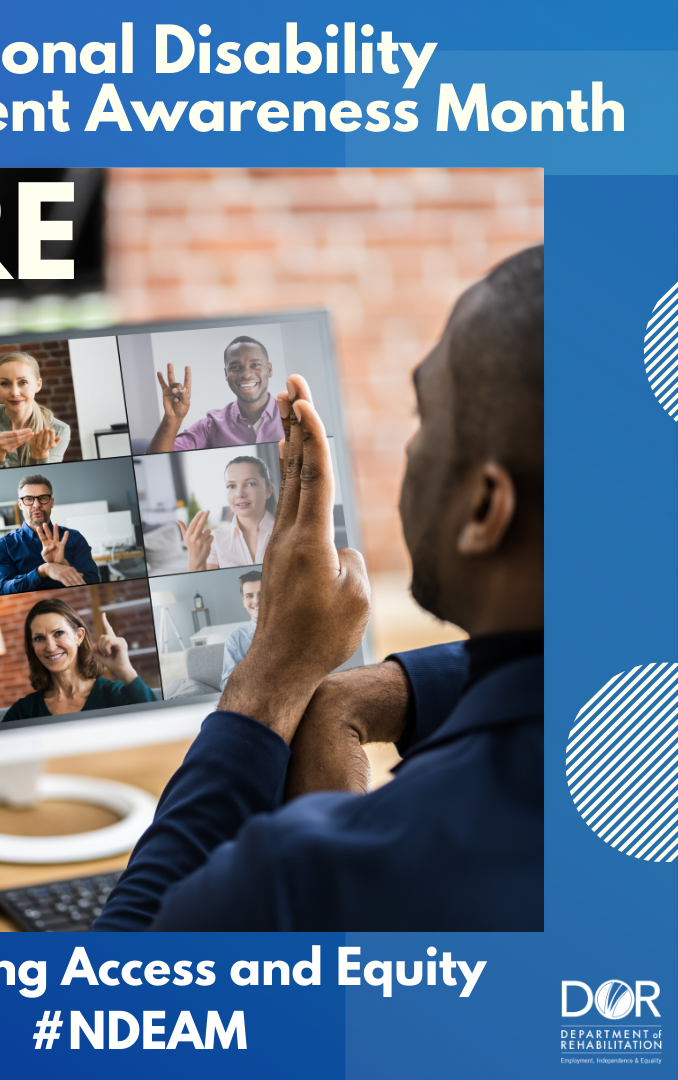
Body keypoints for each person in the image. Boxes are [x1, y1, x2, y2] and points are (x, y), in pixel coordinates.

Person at [95, 245, 544, 931]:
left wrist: (278, 669)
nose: (409, 448)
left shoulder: (305, 876)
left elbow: (113, 995)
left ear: (484, 509)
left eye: (424, 419)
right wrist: (389, 691)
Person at [0, 600, 157, 724]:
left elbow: (159, 725)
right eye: (39, 638)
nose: (50, 646)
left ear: (79, 636)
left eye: (58, 633)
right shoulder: (24, 710)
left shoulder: (116, 696)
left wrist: (125, 670)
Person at [146, 336, 284, 453]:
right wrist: (172, 420)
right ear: (226, 374)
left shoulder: (296, 415)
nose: (246, 375)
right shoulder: (211, 426)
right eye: (235, 367)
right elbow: (157, 461)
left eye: (255, 365)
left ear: (269, 369)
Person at [0, 474, 100, 594]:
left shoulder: (74, 537)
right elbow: (3, 590)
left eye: (43, 498)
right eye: (28, 499)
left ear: (51, 502)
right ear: (20, 505)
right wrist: (42, 570)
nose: (36, 505)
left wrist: (64, 564)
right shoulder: (2, 546)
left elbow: (93, 581)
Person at [0, 352, 71, 471]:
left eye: (23, 382)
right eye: (5, 383)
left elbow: (44, 482)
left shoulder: (60, 430)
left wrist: (39, 456)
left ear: (38, 385)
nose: (14, 392)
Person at [179, 455, 276, 572]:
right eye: (231, 486)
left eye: (250, 484)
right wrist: (194, 558)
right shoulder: (215, 540)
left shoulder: (293, 533)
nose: (239, 494)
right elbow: (203, 587)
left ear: (268, 490)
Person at [219, 571, 261, 691]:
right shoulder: (235, 639)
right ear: (243, 601)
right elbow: (226, 685)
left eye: (262, 594)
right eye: (249, 596)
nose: (256, 601)